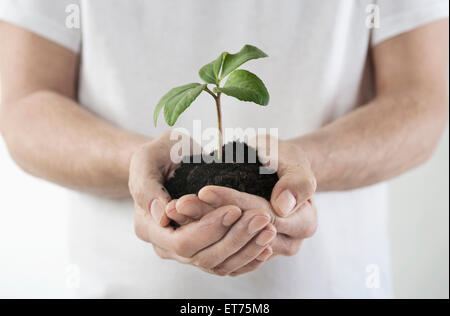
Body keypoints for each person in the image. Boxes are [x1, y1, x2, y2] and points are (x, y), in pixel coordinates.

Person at [0, 0, 448, 298]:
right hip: (118, 285)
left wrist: (303, 170)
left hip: (332, 284)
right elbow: (24, 104)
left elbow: (422, 99)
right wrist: (139, 171)